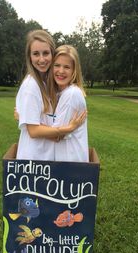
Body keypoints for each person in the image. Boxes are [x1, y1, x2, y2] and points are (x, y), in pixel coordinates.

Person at [16, 29, 86, 160]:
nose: (41, 59)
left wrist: (23, 117)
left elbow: (43, 120)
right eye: (36, 54)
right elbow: (34, 131)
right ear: (29, 57)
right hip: (34, 159)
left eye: (46, 53)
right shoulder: (31, 85)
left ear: (52, 55)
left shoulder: (47, 85)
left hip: (45, 159)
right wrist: (67, 129)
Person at [48, 45, 89, 162]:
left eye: (67, 67)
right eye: (57, 65)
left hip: (71, 163)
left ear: (74, 70)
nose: (61, 71)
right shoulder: (61, 93)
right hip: (65, 161)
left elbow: (56, 135)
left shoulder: (71, 94)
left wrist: (27, 120)